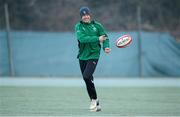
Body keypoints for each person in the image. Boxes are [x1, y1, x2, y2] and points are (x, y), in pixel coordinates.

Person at [75, 6, 110, 112]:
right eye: (83, 15)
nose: (85, 17)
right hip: (82, 56)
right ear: (81, 17)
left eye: (87, 15)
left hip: (94, 55)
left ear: (90, 15)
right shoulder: (78, 26)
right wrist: (97, 38)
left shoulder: (97, 26)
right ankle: (96, 103)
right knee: (88, 79)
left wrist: (106, 46)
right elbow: (82, 39)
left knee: (86, 76)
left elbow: (105, 37)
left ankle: (93, 99)